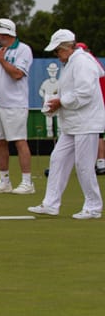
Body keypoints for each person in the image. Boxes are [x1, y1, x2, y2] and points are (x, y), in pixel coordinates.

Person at [28, 29, 105, 219]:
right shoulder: (70, 63)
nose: (56, 54)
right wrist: (56, 104)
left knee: (84, 165)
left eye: (57, 50)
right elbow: (71, 92)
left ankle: (93, 207)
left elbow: (84, 93)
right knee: (58, 159)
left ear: (67, 47)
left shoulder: (82, 62)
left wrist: (61, 102)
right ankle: (51, 204)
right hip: (73, 123)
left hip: (86, 122)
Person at [0, 18, 35, 194]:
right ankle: (4, 181)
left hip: (15, 104)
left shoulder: (23, 50)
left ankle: (27, 183)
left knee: (19, 141)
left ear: (5, 33)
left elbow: (18, 74)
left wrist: (2, 60)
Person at [75, 42, 105, 174]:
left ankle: (94, 163)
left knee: (94, 134)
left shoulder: (85, 63)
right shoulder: (94, 62)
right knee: (98, 134)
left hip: (95, 105)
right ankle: (100, 162)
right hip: (99, 104)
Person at [38, 62, 60, 138]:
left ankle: (59, 132)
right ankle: (49, 132)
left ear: (57, 72)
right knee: (48, 116)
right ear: (48, 72)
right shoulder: (46, 83)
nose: (53, 73)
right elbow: (41, 90)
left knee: (59, 116)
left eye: (54, 71)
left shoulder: (59, 83)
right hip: (48, 102)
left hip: (57, 102)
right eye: (51, 71)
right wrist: (44, 96)